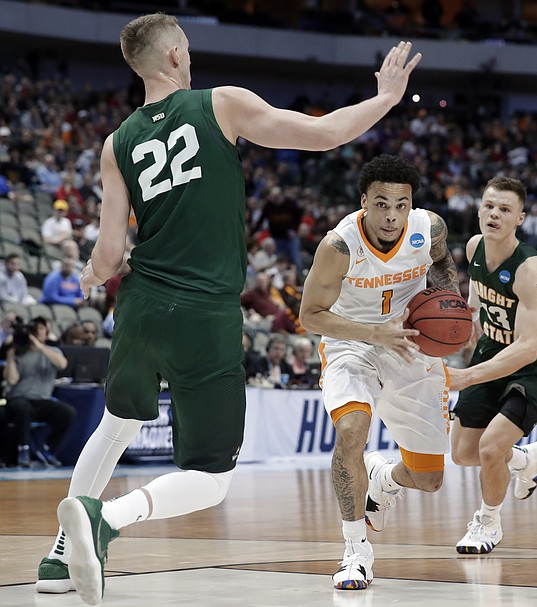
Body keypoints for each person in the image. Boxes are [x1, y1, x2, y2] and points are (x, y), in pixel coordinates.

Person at [38, 13, 421, 605]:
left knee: (117, 423)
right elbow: (324, 135)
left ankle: (60, 557)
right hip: (204, 309)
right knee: (213, 480)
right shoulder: (220, 103)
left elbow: (111, 253)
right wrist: (385, 97)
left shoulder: (117, 143)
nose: (190, 58)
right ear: (171, 58)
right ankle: (101, 519)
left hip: (140, 303)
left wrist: (91, 273)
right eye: (185, 50)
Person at [299, 154, 459, 590]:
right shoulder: (339, 246)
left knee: (429, 479)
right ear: (364, 202)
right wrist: (374, 333)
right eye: (382, 204)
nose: (392, 215)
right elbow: (311, 315)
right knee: (351, 432)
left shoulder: (431, 228)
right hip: (351, 341)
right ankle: (355, 551)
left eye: (401, 205)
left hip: (410, 344)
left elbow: (442, 264)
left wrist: (453, 304)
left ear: (412, 204)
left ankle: (383, 479)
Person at [448, 177, 537, 555]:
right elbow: (477, 292)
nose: (494, 214)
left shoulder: (531, 270)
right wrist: (470, 318)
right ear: (479, 209)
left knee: (488, 450)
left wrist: (466, 375)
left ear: (520, 218)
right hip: (492, 346)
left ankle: (488, 523)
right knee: (463, 454)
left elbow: (527, 348)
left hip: (536, 364)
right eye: (488, 206)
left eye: (504, 210)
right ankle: (526, 460)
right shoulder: (473, 248)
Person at [3, 317, 75, 467]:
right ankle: (23, 449)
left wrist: (39, 345)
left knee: (67, 412)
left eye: (41, 329)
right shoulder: (19, 353)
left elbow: (62, 364)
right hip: (19, 399)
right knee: (23, 407)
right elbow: (12, 380)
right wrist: (10, 356)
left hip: (42, 401)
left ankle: (48, 448)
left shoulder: (53, 351)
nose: (36, 333)